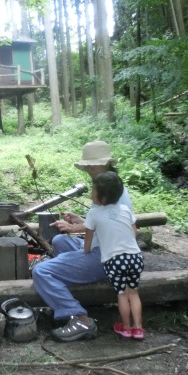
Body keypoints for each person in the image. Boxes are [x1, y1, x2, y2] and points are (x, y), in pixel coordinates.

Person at [32, 140, 133, 342]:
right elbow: (103, 219)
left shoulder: (114, 190)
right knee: (60, 240)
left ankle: (80, 318)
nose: (87, 168)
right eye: (86, 164)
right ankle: (64, 292)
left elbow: (117, 228)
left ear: (104, 164)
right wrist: (80, 220)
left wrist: (76, 228)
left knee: (41, 271)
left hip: (108, 255)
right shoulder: (108, 184)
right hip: (103, 248)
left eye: (91, 164)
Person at [83, 172, 145, 339]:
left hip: (115, 260)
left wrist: (86, 251)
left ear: (101, 197)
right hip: (135, 256)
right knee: (133, 293)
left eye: (93, 192)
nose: (91, 195)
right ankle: (138, 328)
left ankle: (125, 327)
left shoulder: (94, 213)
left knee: (122, 294)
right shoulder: (125, 209)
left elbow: (88, 235)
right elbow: (133, 229)